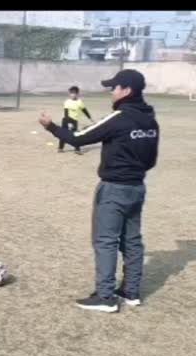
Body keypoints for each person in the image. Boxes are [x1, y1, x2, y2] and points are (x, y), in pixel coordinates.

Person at [38, 69, 159, 312]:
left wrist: (50, 126)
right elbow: (151, 160)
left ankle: (105, 297)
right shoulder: (150, 120)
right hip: (137, 188)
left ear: (126, 90)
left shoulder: (119, 117)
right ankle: (130, 292)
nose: (111, 92)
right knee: (132, 241)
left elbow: (79, 138)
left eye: (114, 88)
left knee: (105, 241)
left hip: (114, 189)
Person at [59, 86, 93, 154]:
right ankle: (60, 148)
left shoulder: (80, 102)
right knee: (63, 134)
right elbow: (66, 113)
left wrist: (90, 118)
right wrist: (68, 123)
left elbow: (84, 110)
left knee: (75, 135)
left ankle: (77, 150)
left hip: (74, 121)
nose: (72, 94)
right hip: (66, 120)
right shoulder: (67, 102)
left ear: (77, 94)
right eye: (71, 93)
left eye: (74, 93)